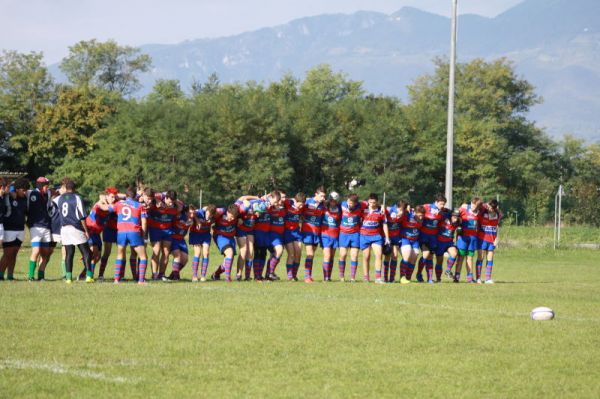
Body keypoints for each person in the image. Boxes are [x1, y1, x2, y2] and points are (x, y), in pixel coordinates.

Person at [54, 177, 94, 284]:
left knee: (69, 253)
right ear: (74, 188)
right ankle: (89, 276)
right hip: (75, 228)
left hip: (64, 229)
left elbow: (52, 204)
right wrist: (86, 230)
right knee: (86, 253)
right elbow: (81, 216)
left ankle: (68, 278)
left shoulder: (60, 198)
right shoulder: (77, 198)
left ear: (66, 188)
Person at [109, 187, 149, 284]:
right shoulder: (140, 206)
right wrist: (143, 236)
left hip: (121, 232)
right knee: (143, 257)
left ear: (126, 196)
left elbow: (110, 208)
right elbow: (144, 222)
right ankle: (140, 281)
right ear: (135, 196)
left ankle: (116, 280)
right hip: (134, 231)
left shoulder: (118, 204)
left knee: (120, 254)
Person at [0, 178, 29, 281]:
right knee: (8, 254)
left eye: (26, 190)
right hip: (9, 229)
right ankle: (0, 275)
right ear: (17, 189)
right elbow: (6, 190)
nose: (25, 192)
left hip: (20, 229)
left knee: (14, 253)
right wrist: (11, 190)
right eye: (23, 190)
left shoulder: (25, 198)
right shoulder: (9, 196)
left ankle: (10, 276)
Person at [26, 177, 54, 281]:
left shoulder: (48, 194)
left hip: (46, 226)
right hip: (35, 226)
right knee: (36, 250)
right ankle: (30, 276)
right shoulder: (31, 193)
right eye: (46, 185)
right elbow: (16, 189)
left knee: (45, 252)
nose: (48, 187)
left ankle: (41, 276)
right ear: (41, 186)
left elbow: (55, 192)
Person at [147, 190, 178, 281]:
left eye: (173, 201)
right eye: (169, 201)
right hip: (155, 229)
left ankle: (161, 274)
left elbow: (181, 205)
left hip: (167, 230)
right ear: (166, 198)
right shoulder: (158, 200)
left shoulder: (175, 206)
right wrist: (157, 201)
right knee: (156, 251)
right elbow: (151, 194)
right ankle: (154, 274)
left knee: (166, 253)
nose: (171, 203)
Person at [359, 193, 390, 284]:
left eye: (374, 202)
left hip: (376, 236)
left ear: (377, 202)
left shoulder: (381, 211)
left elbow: (384, 225)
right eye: (370, 202)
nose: (372, 204)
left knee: (379, 255)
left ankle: (378, 278)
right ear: (368, 201)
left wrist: (387, 238)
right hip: (364, 236)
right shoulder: (363, 210)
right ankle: (366, 277)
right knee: (366, 256)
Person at [416, 195, 446, 283]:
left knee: (430, 257)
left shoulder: (442, 212)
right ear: (436, 202)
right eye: (441, 204)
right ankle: (419, 273)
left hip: (433, 238)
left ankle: (429, 278)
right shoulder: (427, 207)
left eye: (444, 204)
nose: (443, 206)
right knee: (426, 254)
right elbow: (417, 211)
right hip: (423, 236)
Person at [338, 193, 366, 282]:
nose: (350, 204)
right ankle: (342, 277)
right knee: (343, 254)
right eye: (349, 202)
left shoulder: (361, 205)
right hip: (343, 233)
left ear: (356, 203)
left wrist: (381, 207)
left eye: (352, 203)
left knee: (354, 255)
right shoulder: (342, 204)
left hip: (355, 234)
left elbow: (370, 202)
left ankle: (352, 277)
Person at [455, 197, 483, 283]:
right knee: (460, 258)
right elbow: (454, 215)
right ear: (471, 202)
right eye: (474, 204)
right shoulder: (464, 208)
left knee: (470, 258)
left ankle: (470, 278)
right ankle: (456, 277)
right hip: (463, 238)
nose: (474, 207)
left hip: (473, 238)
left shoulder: (479, 213)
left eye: (477, 205)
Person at [302, 186, 326, 283]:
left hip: (317, 232)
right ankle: (306, 277)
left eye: (324, 196)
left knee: (312, 255)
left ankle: (309, 276)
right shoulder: (307, 202)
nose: (323, 198)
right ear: (316, 194)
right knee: (310, 254)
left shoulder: (323, 205)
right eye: (321, 196)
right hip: (307, 232)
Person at [210, 204, 239, 282]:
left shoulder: (238, 215)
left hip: (231, 238)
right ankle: (227, 278)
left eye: (234, 218)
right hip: (220, 237)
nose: (232, 219)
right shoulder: (220, 213)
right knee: (229, 253)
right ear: (228, 212)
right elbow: (210, 213)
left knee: (228, 260)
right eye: (231, 216)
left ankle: (216, 274)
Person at [234, 196, 261, 280]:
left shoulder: (258, 205)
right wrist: (239, 218)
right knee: (244, 250)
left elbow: (265, 198)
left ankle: (247, 276)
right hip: (241, 229)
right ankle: (239, 274)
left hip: (250, 230)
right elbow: (234, 211)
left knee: (251, 252)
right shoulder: (243, 206)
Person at [476, 199, 502, 284]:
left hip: (492, 240)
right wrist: (485, 204)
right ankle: (478, 278)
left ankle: (488, 278)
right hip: (482, 238)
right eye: (490, 207)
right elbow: (478, 206)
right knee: (481, 258)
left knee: (490, 258)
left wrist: (497, 239)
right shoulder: (483, 211)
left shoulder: (498, 214)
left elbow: (498, 227)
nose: (490, 209)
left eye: (492, 208)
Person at [189, 204, 216, 282]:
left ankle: (203, 276)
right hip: (195, 234)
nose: (208, 216)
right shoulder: (200, 212)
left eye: (210, 215)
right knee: (197, 253)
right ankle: (194, 276)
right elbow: (192, 213)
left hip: (206, 235)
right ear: (206, 211)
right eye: (207, 214)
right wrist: (197, 220)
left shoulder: (215, 216)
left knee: (206, 253)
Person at [399, 204, 424, 284]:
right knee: (407, 254)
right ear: (415, 212)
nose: (421, 217)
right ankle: (402, 277)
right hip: (405, 239)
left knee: (414, 257)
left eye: (422, 216)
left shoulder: (422, 219)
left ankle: (408, 277)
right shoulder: (408, 215)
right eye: (419, 215)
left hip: (415, 241)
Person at [97, 187, 119, 280]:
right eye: (111, 197)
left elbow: (124, 196)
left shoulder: (118, 203)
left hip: (119, 230)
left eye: (115, 197)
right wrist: (104, 200)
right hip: (108, 230)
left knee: (121, 253)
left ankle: (119, 276)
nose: (113, 199)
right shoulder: (102, 203)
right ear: (107, 196)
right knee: (107, 253)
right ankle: (100, 275)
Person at [168, 202, 193, 281]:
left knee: (185, 259)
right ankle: (175, 277)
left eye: (193, 212)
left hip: (181, 240)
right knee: (177, 256)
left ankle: (173, 274)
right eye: (190, 212)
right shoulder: (179, 216)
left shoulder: (191, 221)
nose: (192, 214)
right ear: (185, 212)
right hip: (173, 238)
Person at [283, 193, 305, 281]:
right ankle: (289, 276)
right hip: (287, 232)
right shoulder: (288, 203)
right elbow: (281, 199)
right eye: (300, 204)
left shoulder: (302, 207)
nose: (301, 206)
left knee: (298, 254)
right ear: (296, 201)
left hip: (297, 232)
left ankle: (294, 275)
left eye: (302, 205)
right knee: (291, 254)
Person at [320, 192, 341, 282]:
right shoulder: (323, 207)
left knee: (332, 256)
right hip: (325, 235)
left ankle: (329, 276)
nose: (333, 202)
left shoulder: (340, 209)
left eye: (335, 201)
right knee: (327, 255)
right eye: (332, 200)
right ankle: (326, 277)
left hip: (335, 235)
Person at [384, 200, 406, 283]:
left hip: (396, 238)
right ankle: (385, 278)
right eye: (400, 209)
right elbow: (384, 209)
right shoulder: (390, 210)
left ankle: (392, 278)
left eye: (403, 210)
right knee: (387, 256)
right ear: (397, 207)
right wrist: (383, 207)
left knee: (395, 256)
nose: (401, 212)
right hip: (387, 237)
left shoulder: (404, 213)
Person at [266, 192, 286, 280]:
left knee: (275, 254)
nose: (282, 200)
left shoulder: (285, 207)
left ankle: (269, 273)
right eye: (281, 198)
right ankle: (270, 273)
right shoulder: (270, 207)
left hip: (281, 235)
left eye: (284, 198)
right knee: (279, 250)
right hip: (272, 234)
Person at [437, 209, 461, 282]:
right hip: (440, 242)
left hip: (449, 242)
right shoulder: (444, 218)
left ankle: (448, 270)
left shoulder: (458, 223)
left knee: (454, 253)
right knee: (439, 261)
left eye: (457, 217)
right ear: (451, 215)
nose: (455, 218)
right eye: (454, 216)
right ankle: (438, 278)